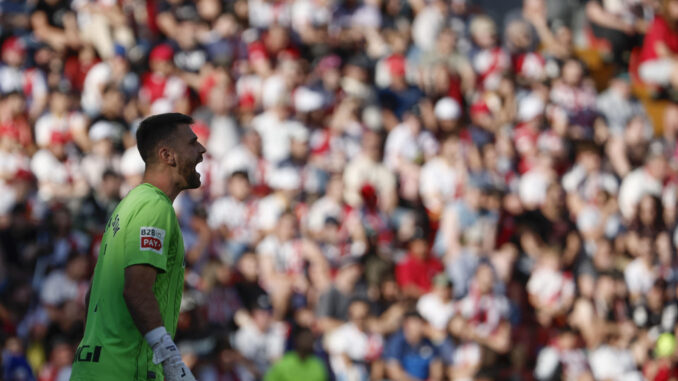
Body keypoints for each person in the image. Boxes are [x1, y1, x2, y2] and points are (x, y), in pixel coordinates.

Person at [70, 113, 206, 381]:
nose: (201, 149)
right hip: (124, 371)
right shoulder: (155, 206)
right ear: (168, 155)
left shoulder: (129, 205)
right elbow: (136, 289)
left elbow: (92, 296)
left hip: (98, 368)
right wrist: (170, 359)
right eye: (192, 143)